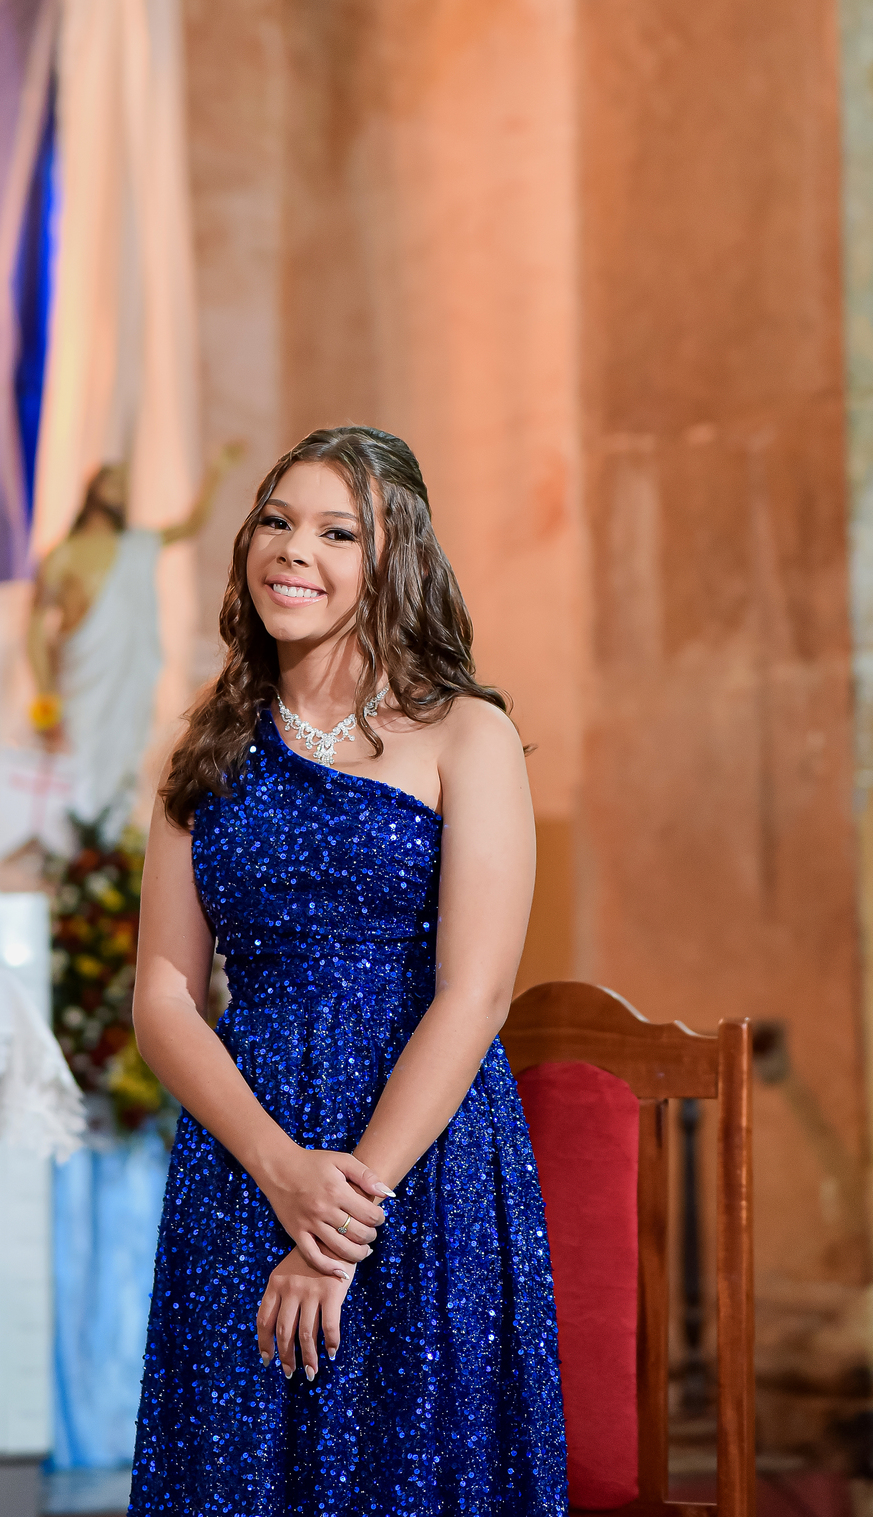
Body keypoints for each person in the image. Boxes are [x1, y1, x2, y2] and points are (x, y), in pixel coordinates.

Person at [128, 426, 566, 1516]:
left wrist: (339, 1224)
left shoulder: (466, 735)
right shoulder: (206, 746)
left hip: (417, 1164)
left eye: (337, 532)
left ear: (394, 557)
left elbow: (476, 994)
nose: (294, 550)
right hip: (242, 1156)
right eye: (277, 522)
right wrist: (280, 1168)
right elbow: (164, 996)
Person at [25, 444, 244, 837]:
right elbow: (36, 629)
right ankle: (71, 849)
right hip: (81, 676)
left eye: (125, 486)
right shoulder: (63, 555)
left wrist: (217, 472)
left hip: (127, 677)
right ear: (92, 489)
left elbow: (190, 525)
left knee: (123, 753)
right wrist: (44, 694)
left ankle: (108, 845)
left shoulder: (137, 547)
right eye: (112, 482)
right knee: (75, 757)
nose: (119, 491)